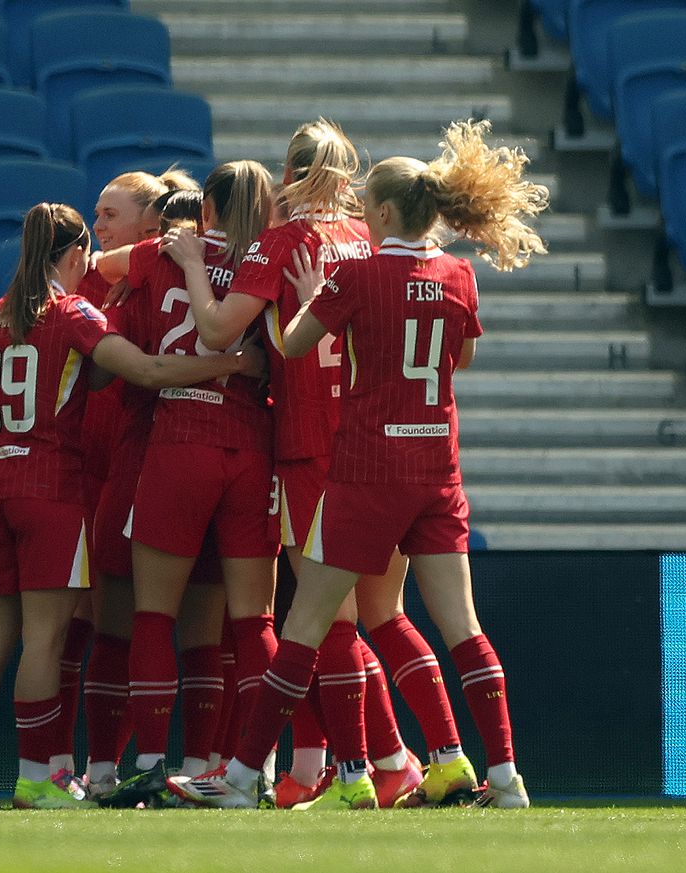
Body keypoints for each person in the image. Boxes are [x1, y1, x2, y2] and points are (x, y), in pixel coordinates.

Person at [169, 119, 548, 810]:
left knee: (309, 626)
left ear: (378, 210)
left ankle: (262, 774)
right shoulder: (459, 273)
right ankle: (492, 772)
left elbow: (283, 344)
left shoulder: (346, 268)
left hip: (358, 465)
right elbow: (457, 358)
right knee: (448, 622)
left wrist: (308, 296)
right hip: (437, 470)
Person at [0, 202, 264, 810]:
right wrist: (229, 362)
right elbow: (145, 369)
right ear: (73, 257)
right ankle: (37, 779)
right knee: (44, 640)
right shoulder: (73, 313)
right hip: (50, 489)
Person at [168, 119, 418, 808]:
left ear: (291, 169)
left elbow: (219, 329)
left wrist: (192, 264)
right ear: (347, 176)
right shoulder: (368, 240)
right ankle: (382, 762)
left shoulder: (283, 242)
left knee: (327, 623)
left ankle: (366, 767)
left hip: (309, 444)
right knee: (370, 616)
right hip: (373, 441)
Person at [94, 161, 280, 808]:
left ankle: (148, 764)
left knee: (153, 614)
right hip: (252, 444)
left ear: (206, 207)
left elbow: (105, 266)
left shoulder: (163, 251)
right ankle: (242, 767)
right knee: (251, 619)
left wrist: (161, 252)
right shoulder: (270, 259)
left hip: (177, 438)